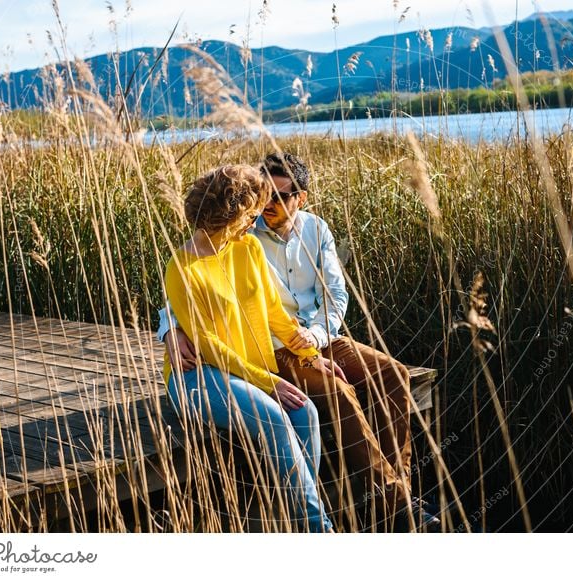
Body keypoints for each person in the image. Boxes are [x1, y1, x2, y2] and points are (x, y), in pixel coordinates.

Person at [159, 153, 439, 532]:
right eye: (263, 199)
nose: (266, 208)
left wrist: (315, 342)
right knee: (337, 393)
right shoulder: (234, 238)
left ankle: (393, 499)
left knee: (395, 375)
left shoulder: (306, 232)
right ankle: (343, 517)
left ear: (300, 199)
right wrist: (171, 330)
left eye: (279, 197)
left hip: (316, 336)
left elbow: (330, 296)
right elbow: (186, 309)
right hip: (272, 351)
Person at [162, 164, 339, 533]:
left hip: (247, 373)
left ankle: (291, 521)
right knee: (276, 417)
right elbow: (207, 346)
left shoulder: (248, 248)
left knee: (304, 412)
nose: (257, 216)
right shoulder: (182, 267)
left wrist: (310, 355)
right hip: (199, 377)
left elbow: (275, 313)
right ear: (229, 214)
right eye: (249, 211)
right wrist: (267, 381)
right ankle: (320, 531)